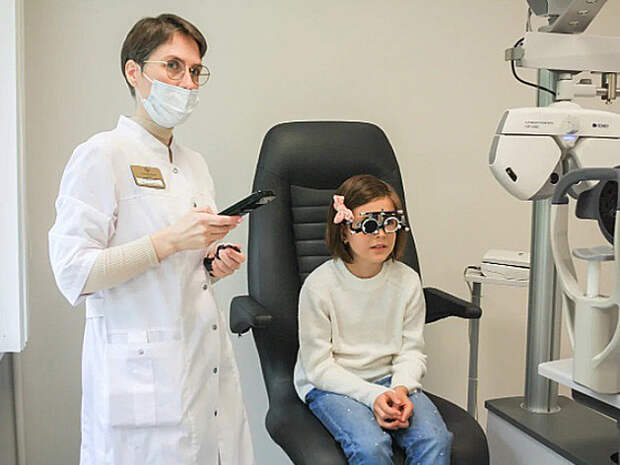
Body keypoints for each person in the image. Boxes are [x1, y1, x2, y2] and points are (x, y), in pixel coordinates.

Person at [48, 14, 254, 465]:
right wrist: (167, 242)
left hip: (202, 366)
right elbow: (73, 271)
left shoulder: (193, 164)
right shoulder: (101, 155)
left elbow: (182, 270)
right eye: (173, 66)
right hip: (142, 381)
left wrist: (211, 262)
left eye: (195, 71)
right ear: (134, 72)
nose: (187, 82)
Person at [293, 174, 453, 465]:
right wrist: (373, 396)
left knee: (435, 440)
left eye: (389, 223)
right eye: (369, 225)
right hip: (332, 384)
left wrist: (401, 388)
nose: (380, 234)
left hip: (391, 380)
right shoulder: (319, 287)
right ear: (344, 232)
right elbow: (318, 367)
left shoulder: (407, 281)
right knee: (371, 447)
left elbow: (411, 351)